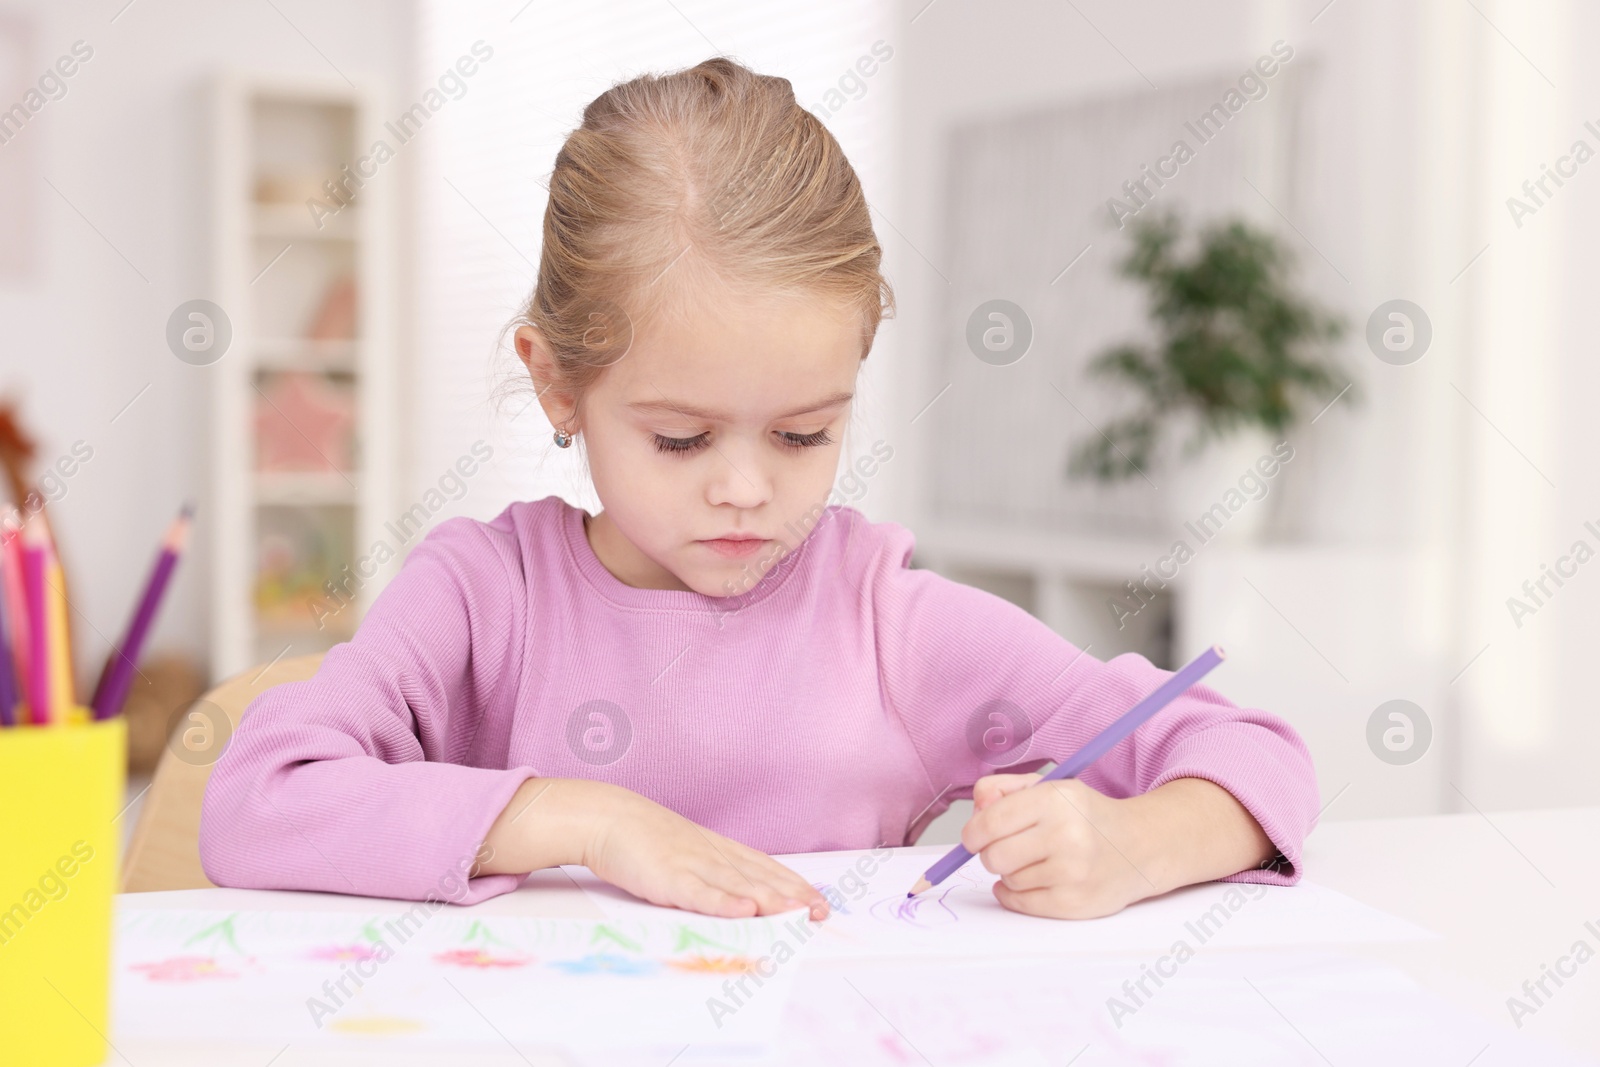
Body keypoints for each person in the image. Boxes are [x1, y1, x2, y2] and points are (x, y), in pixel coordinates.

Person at [200, 56, 1318, 923]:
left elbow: (1255, 751)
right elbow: (255, 799)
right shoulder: (484, 595)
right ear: (557, 383)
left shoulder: (884, 621)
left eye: (802, 432)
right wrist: (580, 817)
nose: (745, 490)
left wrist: (1134, 845)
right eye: (681, 438)